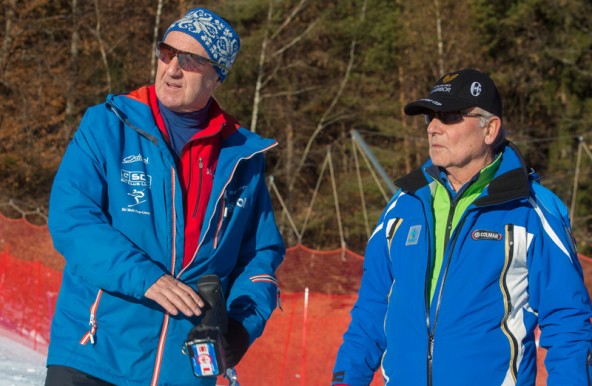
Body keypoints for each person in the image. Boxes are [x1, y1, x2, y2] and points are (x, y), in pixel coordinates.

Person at [45, 8, 285, 386]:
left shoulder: (243, 158)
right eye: (166, 52)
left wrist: (240, 327)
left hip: (183, 369)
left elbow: (259, 257)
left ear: (217, 75)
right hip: (93, 354)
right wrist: (146, 277)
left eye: (189, 60)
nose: (172, 68)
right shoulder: (108, 124)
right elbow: (72, 218)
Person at [332, 68, 592, 385]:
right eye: (430, 117)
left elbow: (568, 322)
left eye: (450, 116)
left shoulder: (531, 208)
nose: (433, 129)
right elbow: (372, 309)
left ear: (490, 129)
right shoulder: (404, 204)